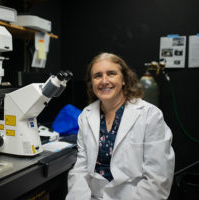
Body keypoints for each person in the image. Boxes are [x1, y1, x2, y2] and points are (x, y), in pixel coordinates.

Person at [65, 53, 175, 200]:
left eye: (111, 74)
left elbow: (158, 178)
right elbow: (81, 169)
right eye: (97, 76)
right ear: (92, 83)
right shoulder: (86, 115)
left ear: (124, 79)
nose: (104, 81)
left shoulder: (150, 115)